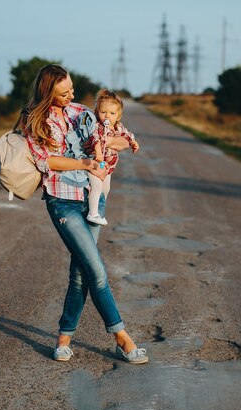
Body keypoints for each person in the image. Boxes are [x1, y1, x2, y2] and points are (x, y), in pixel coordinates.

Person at [22, 64, 148, 364]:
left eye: (72, 90)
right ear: (47, 92)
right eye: (64, 93)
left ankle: (64, 339)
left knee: (80, 273)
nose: (72, 96)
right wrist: (86, 164)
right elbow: (46, 162)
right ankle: (122, 338)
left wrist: (110, 143)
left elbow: (110, 137)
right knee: (97, 271)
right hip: (62, 201)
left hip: (92, 199)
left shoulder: (81, 112)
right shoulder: (34, 121)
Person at [86, 90, 140, 226]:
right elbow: (96, 140)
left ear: (118, 116)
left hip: (108, 166)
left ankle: (99, 209)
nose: (107, 116)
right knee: (97, 187)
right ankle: (93, 213)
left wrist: (133, 142)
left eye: (112, 113)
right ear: (98, 112)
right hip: (95, 163)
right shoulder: (97, 127)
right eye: (103, 112)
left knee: (106, 189)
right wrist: (98, 153)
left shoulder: (118, 127)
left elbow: (127, 135)